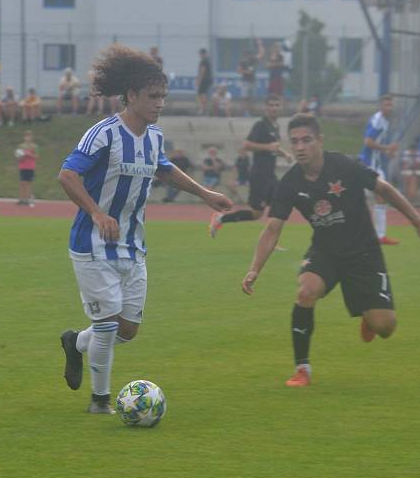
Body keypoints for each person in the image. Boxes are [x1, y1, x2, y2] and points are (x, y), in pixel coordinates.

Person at [57, 44, 233, 414]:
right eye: (153, 97)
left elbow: (164, 169)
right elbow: (67, 175)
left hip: (132, 245)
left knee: (128, 329)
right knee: (106, 325)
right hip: (93, 244)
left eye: (163, 97)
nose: (160, 104)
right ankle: (100, 401)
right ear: (132, 95)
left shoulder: (153, 137)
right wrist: (97, 214)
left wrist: (204, 194)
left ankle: (76, 343)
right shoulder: (102, 134)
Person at [241, 113, 420, 387]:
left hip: (364, 253)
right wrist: (254, 269)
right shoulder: (289, 183)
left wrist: (417, 220)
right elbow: (273, 229)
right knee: (305, 291)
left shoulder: (344, 166)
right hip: (326, 251)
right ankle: (302, 369)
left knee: (385, 327)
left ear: (320, 141)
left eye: (306, 140)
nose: (300, 147)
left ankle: (369, 319)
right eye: (295, 141)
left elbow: (384, 188)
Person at [209, 95, 292, 237]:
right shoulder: (261, 124)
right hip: (259, 175)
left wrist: (284, 154)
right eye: (271, 105)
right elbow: (246, 145)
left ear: (281, 107)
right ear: (266, 107)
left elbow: (273, 148)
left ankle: (271, 239)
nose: (274, 108)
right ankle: (221, 218)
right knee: (256, 214)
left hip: (270, 175)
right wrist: (268, 147)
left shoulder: (275, 126)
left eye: (277, 105)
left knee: (279, 206)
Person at [359, 94, 400, 245]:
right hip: (369, 164)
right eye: (386, 105)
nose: (389, 107)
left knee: (381, 197)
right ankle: (377, 235)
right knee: (375, 198)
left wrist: (387, 152)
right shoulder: (377, 120)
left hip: (375, 165)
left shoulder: (385, 121)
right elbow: (368, 142)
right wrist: (387, 147)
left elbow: (375, 145)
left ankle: (380, 236)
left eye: (390, 105)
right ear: (381, 106)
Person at [237, 40, 264, 117]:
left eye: (248, 55)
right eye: (246, 55)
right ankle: (244, 112)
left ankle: (250, 112)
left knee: (251, 97)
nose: (247, 56)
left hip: (252, 80)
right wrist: (246, 72)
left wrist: (260, 44)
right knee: (245, 97)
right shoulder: (242, 62)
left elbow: (261, 54)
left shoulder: (253, 60)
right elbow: (238, 70)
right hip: (245, 81)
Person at [16, 130, 37, 206]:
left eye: (29, 136)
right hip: (22, 166)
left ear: (31, 137)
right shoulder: (21, 146)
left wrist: (29, 154)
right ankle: (21, 199)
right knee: (22, 183)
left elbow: (37, 157)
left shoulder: (34, 146)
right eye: (26, 136)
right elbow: (18, 156)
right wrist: (21, 156)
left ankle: (28, 199)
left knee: (28, 183)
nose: (27, 138)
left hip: (30, 167)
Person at [195, 48, 213, 115]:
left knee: (201, 94)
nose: (200, 55)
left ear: (203, 54)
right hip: (208, 80)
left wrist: (198, 80)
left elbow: (202, 71)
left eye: (200, 53)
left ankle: (203, 109)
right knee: (204, 95)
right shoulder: (207, 60)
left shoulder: (204, 61)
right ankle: (204, 109)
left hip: (204, 80)